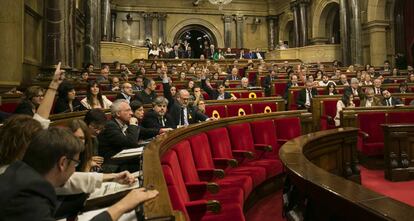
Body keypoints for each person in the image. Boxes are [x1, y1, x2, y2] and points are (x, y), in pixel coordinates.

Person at [0, 127, 159, 221]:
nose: (75, 170)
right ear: (62, 163)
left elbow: (73, 179)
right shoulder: (29, 200)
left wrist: (113, 177)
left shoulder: (22, 171)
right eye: (75, 163)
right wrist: (124, 205)